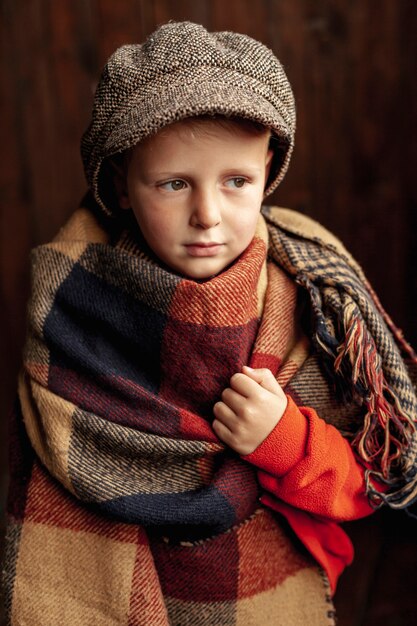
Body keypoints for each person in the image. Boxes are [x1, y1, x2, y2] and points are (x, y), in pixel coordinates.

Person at [3, 21, 416, 626]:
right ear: (120, 185)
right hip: (121, 590)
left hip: (262, 588)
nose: (207, 215)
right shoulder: (72, 308)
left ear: (268, 169)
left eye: (236, 182)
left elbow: (365, 484)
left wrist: (284, 440)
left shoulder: (307, 302)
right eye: (173, 184)